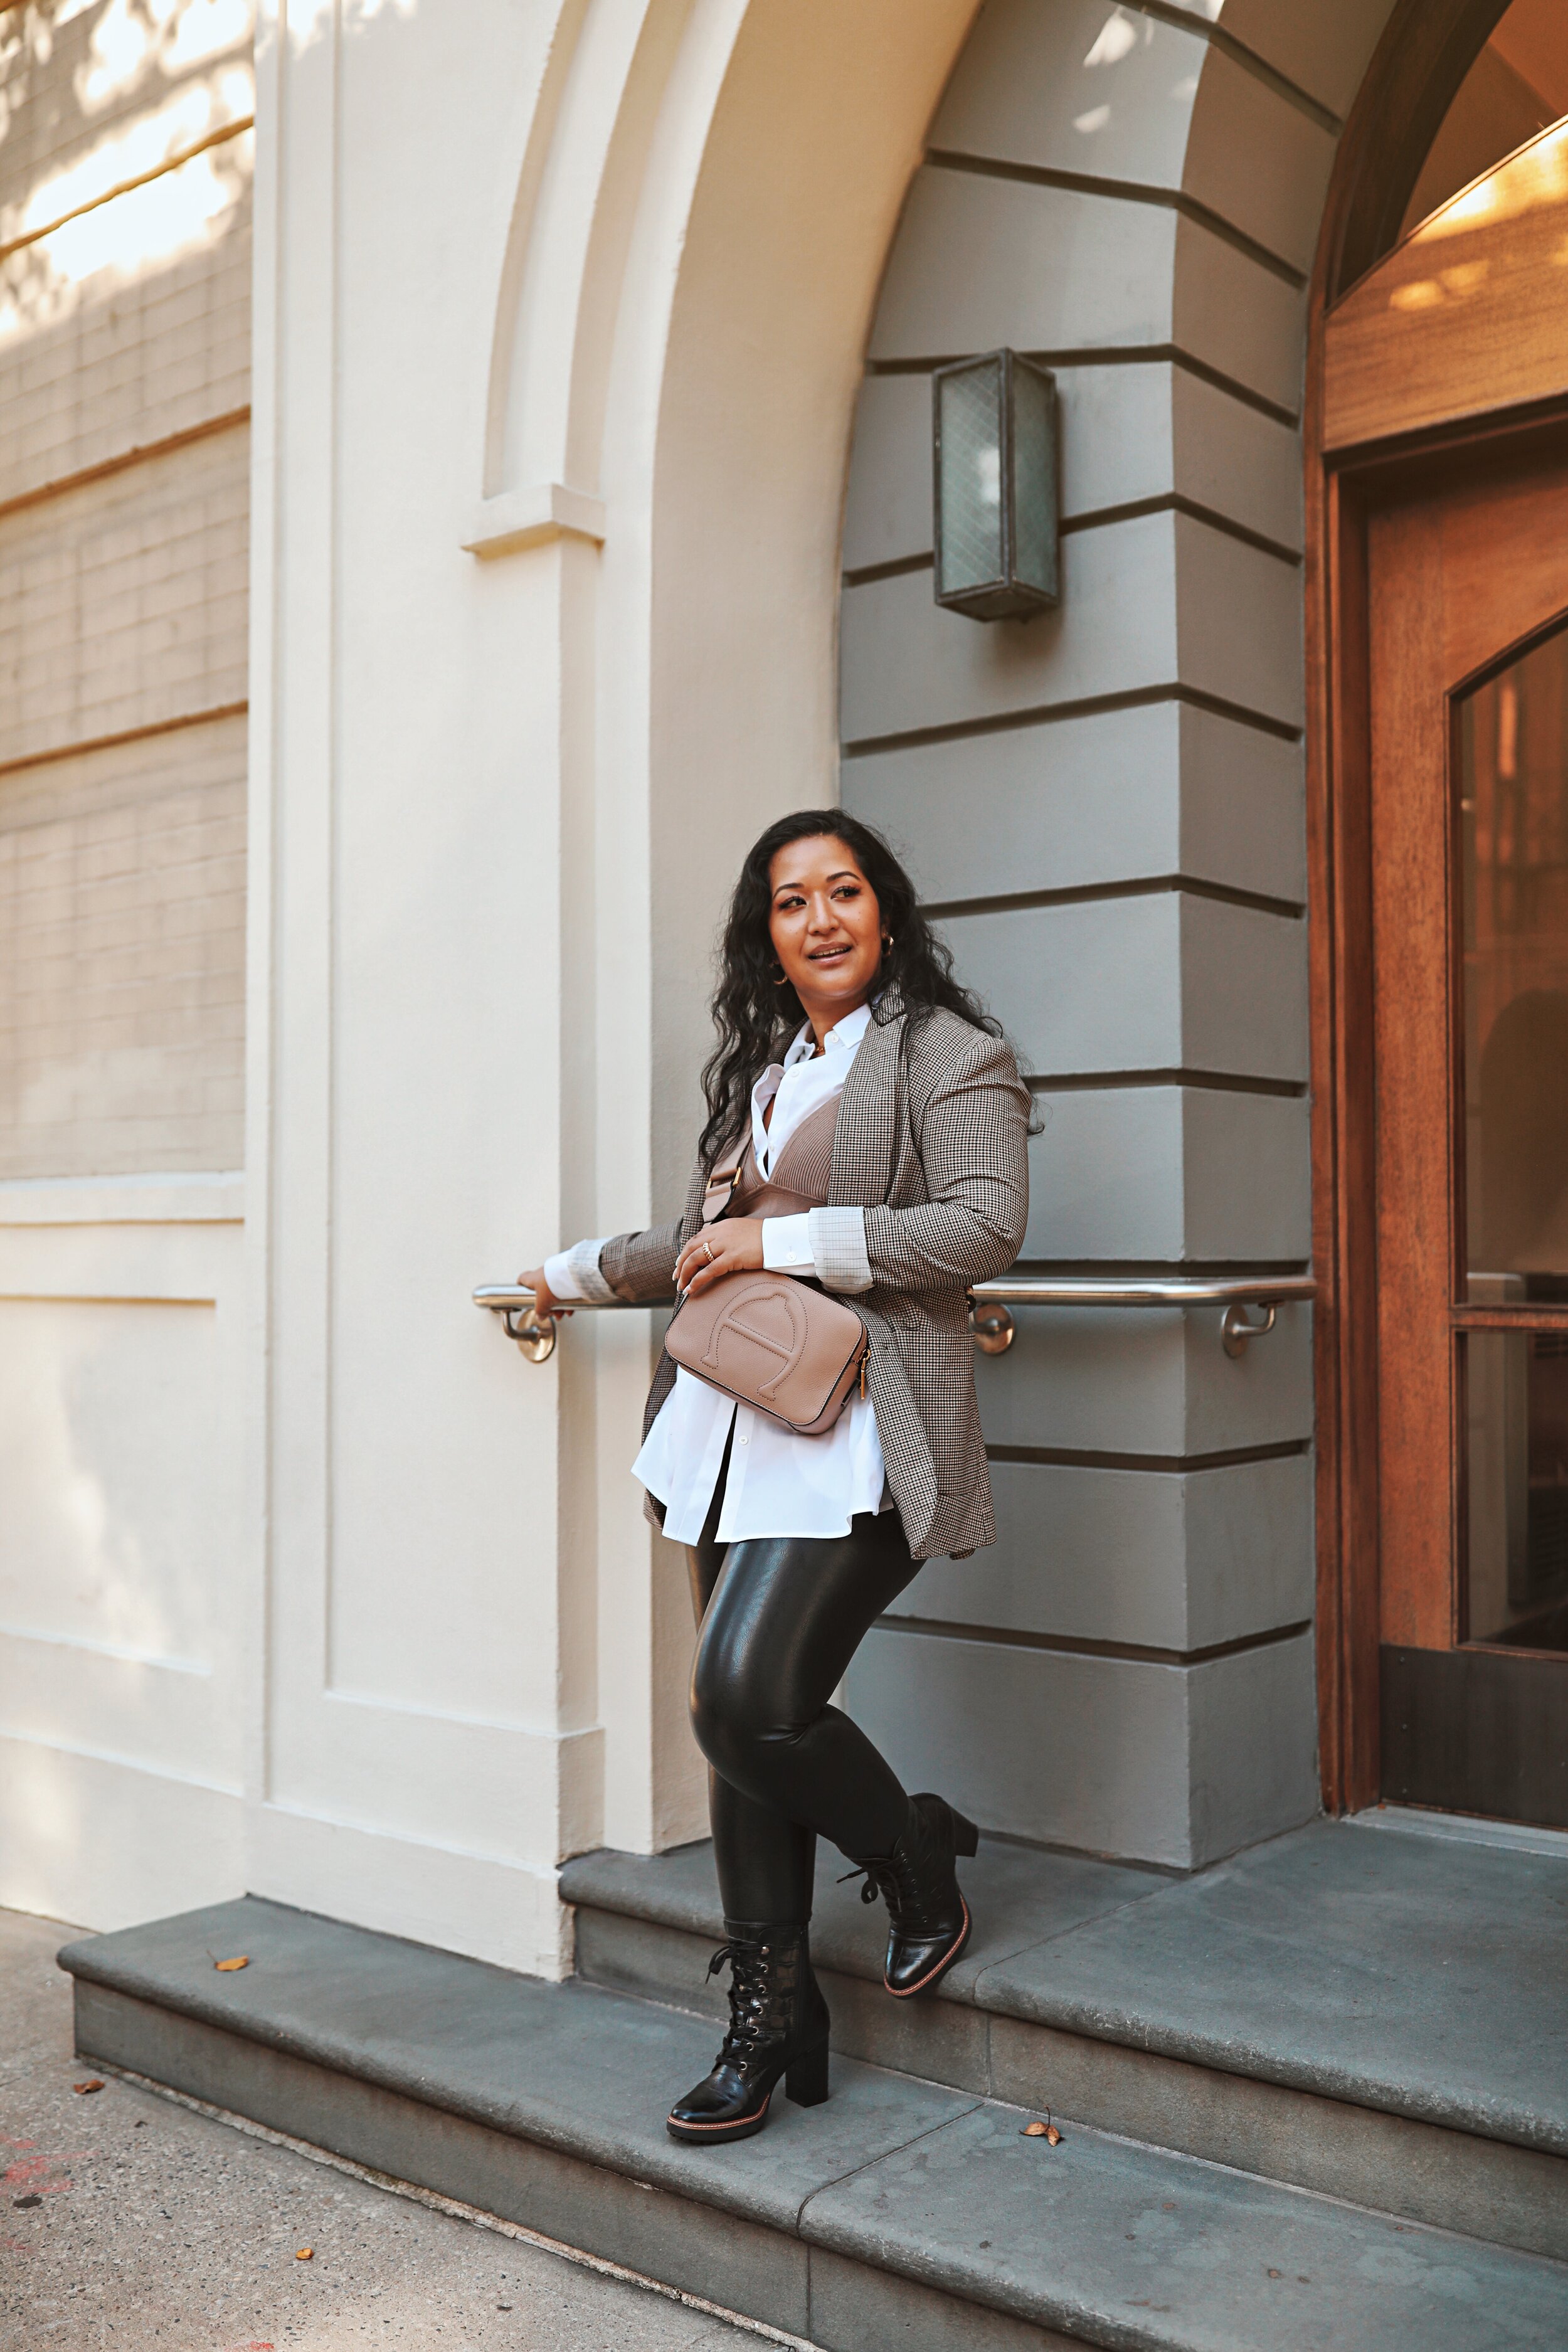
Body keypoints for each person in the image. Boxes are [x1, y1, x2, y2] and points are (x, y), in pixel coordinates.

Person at [519, 811, 1030, 2144]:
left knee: (742, 1699)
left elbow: (981, 1226)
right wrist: (573, 1276)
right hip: (731, 1429)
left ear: (886, 908)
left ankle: (916, 1857)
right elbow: (703, 1242)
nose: (819, 919)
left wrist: (787, 1240)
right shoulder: (764, 1067)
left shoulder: (946, 1056)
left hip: (860, 1433)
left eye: (843, 891)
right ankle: (769, 2012)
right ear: (767, 935)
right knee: (743, 1738)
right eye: (790, 902)